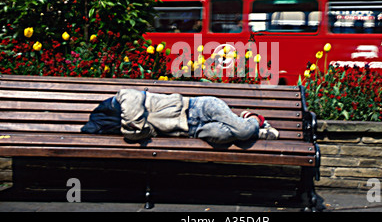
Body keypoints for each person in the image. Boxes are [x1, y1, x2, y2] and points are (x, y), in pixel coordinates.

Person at [81, 89, 279, 144]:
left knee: (242, 131)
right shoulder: (129, 124)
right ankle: (256, 133)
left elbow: (137, 129)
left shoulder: (123, 97)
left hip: (199, 107)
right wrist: (135, 130)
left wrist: (134, 128)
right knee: (224, 136)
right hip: (194, 131)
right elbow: (138, 133)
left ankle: (252, 119)